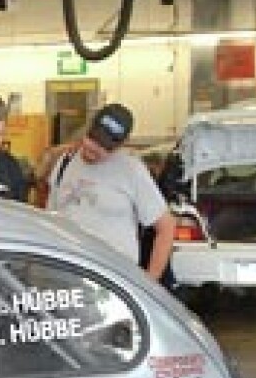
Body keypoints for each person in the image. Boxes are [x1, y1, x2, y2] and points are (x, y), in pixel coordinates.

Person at [45, 103, 176, 280]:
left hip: (114, 282)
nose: (96, 148)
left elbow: (166, 227)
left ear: (121, 145)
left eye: (106, 146)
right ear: (87, 130)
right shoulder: (65, 162)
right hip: (67, 278)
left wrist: (149, 283)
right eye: (93, 139)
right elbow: (49, 218)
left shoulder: (131, 170)